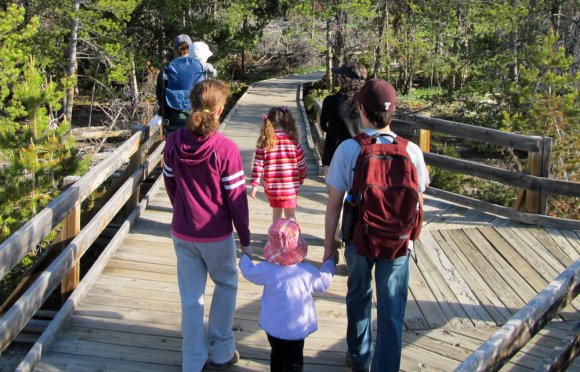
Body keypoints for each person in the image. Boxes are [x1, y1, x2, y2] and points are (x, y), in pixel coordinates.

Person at [322, 79, 429, 372]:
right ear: (392, 112)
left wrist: (329, 247)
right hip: (398, 241)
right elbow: (418, 201)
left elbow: (333, 204)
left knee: (359, 294)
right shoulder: (412, 151)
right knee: (392, 310)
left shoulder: (348, 149)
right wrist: (410, 237)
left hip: (359, 237)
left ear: (362, 110)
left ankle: (359, 358)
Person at [163, 79, 250, 371]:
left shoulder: (173, 142)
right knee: (226, 284)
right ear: (221, 109)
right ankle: (222, 351)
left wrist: (182, 210)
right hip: (216, 235)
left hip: (183, 231)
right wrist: (245, 237)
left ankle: (193, 359)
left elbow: (170, 182)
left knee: (191, 298)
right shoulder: (225, 149)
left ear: (191, 106)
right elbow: (237, 199)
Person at [239, 218, 336, 372]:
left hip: (273, 326)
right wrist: (330, 264)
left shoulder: (266, 269)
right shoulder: (307, 271)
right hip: (298, 328)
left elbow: (248, 271)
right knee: (295, 360)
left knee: (277, 356)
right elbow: (324, 282)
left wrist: (245, 257)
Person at [250, 106, 307, 222]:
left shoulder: (265, 141)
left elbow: (258, 164)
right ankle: (293, 238)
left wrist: (255, 184)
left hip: (272, 187)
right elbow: (302, 162)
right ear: (288, 121)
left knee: (276, 214)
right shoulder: (293, 140)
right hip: (290, 185)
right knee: (290, 214)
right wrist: (301, 177)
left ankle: (274, 238)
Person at [320, 61, 367, 177]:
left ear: (344, 80)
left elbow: (323, 125)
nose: (338, 78)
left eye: (340, 76)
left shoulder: (330, 101)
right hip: (360, 154)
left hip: (334, 155)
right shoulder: (365, 103)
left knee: (333, 194)